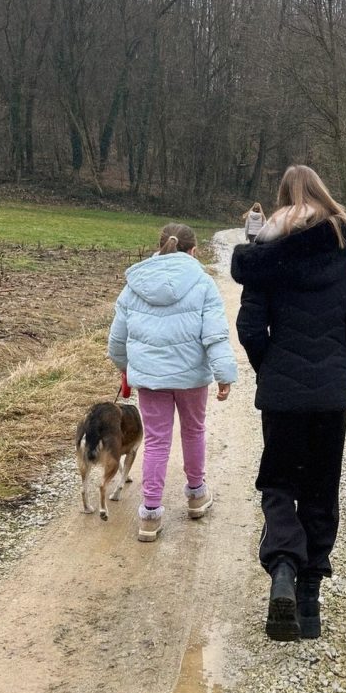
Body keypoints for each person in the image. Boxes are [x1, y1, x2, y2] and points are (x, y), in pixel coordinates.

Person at [231, 165, 346, 641]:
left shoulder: (266, 255)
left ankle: (282, 569)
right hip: (331, 395)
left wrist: (271, 367)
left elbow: (250, 327)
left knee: (278, 482)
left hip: (281, 393)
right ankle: (310, 602)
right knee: (321, 487)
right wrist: (336, 361)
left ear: (282, 199)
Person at [108, 223, 237, 542]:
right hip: (191, 377)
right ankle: (196, 495)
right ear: (193, 251)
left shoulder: (135, 284)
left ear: (160, 246)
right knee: (193, 431)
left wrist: (126, 367)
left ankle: (150, 515)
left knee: (156, 441)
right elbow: (215, 335)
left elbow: (117, 340)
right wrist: (224, 374)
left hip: (151, 379)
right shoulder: (203, 283)